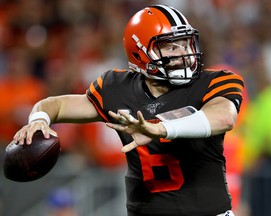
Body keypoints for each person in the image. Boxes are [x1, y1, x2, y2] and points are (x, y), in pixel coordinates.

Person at [13, 5, 244, 216]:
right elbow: (57, 104)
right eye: (170, 46)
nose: (183, 53)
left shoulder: (214, 81)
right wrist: (39, 119)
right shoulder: (116, 87)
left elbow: (224, 117)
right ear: (140, 52)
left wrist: (162, 129)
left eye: (185, 43)